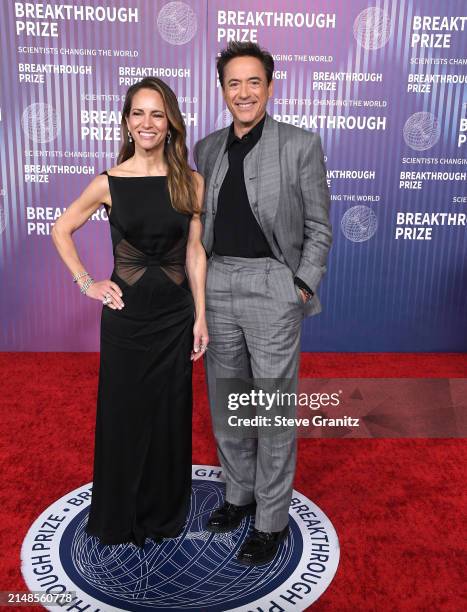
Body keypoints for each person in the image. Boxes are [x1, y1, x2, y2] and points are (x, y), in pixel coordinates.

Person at [52, 77, 208, 547]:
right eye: (138, 113)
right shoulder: (109, 181)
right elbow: (62, 229)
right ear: (126, 121)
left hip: (176, 319)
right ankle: (120, 515)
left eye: (156, 114)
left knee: (169, 414)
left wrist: (201, 316)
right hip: (126, 319)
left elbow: (195, 254)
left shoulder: (191, 181)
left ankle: (163, 512)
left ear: (170, 123)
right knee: (123, 415)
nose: (147, 123)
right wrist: (87, 283)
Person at [194, 42, 332, 565]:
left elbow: (319, 227)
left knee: (271, 410)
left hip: (274, 284)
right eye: (234, 83)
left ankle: (271, 518)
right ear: (223, 90)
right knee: (230, 401)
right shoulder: (206, 150)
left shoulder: (300, 144)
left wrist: (301, 284)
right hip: (218, 283)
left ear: (270, 87)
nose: (244, 92)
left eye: (254, 82)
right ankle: (238, 494)